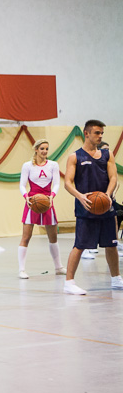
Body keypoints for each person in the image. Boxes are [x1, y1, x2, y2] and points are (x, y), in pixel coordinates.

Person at [62, 120, 121, 294]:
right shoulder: (75, 157)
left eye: (102, 133)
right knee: (80, 245)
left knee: (111, 244)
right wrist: (80, 196)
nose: (100, 136)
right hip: (86, 207)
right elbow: (67, 183)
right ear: (86, 133)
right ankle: (69, 282)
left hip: (105, 205)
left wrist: (108, 195)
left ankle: (116, 279)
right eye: (97, 133)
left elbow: (113, 178)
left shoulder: (107, 154)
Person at [17, 139, 67, 279]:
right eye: (42, 149)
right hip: (32, 202)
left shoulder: (53, 165)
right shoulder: (27, 166)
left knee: (53, 237)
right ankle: (21, 270)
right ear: (36, 149)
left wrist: (52, 196)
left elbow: (57, 184)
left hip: (47, 202)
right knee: (26, 237)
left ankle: (58, 267)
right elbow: (22, 185)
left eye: (47, 149)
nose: (45, 151)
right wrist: (26, 197)